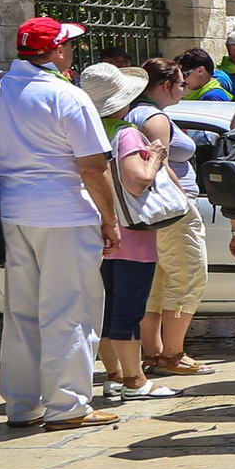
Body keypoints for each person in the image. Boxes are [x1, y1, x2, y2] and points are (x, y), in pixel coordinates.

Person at [0, 18, 125, 430]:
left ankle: (22, 404)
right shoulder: (66, 96)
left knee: (22, 311)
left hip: (11, 212)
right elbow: (93, 167)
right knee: (69, 309)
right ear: (56, 52)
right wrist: (110, 220)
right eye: (67, 45)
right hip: (64, 214)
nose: (71, 51)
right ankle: (68, 405)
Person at [78, 63, 170, 405]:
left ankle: (114, 375)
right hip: (132, 235)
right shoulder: (126, 134)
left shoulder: (88, 134)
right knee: (128, 310)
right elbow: (138, 179)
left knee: (105, 309)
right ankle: (135, 379)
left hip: (97, 232)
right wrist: (156, 158)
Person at [129, 57, 213, 377]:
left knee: (159, 281)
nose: (184, 88)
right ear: (165, 86)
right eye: (181, 83)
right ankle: (174, 353)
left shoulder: (133, 112)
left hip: (149, 212)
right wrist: (182, 202)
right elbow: (160, 166)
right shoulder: (155, 118)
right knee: (189, 276)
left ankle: (154, 353)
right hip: (173, 210)